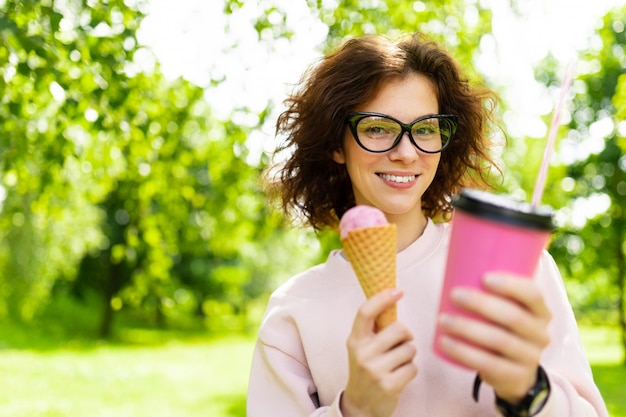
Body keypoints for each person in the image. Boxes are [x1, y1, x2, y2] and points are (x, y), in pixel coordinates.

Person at [247, 33, 609, 417]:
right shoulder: (294, 313)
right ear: (337, 144)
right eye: (377, 128)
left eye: (425, 129)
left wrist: (531, 392)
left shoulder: (514, 267)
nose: (406, 153)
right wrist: (353, 409)